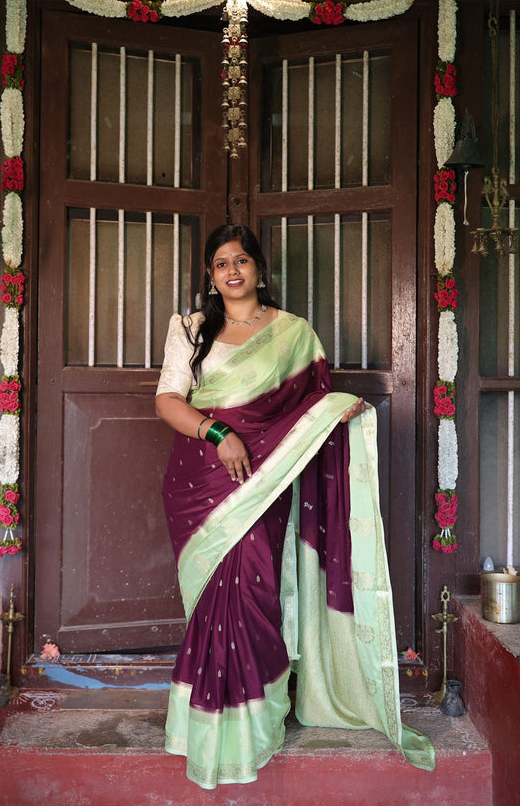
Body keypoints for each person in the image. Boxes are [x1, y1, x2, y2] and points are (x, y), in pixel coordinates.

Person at [155, 224, 435, 789]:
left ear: (259, 268)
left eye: (241, 260)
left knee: (254, 591)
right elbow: (167, 400)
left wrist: (337, 410)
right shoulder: (190, 329)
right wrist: (218, 433)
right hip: (201, 480)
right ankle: (206, 728)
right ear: (210, 275)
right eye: (220, 264)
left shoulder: (294, 333)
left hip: (265, 479)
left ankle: (255, 724)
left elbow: (308, 410)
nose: (231, 271)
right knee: (213, 602)